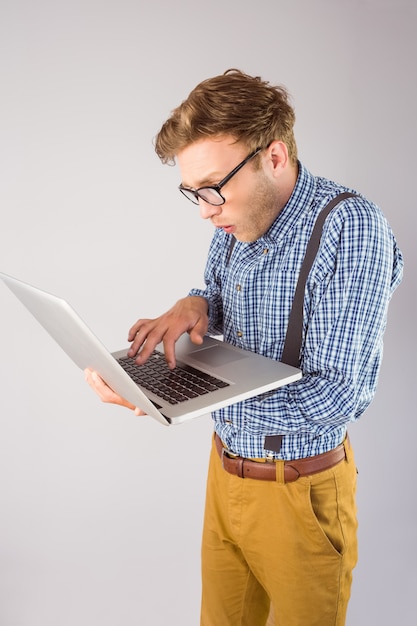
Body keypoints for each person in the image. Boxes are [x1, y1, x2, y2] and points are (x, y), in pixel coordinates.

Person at [85, 69, 404, 626]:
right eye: (193, 193)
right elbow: (216, 292)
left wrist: (180, 397)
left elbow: (337, 398)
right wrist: (194, 303)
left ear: (274, 156)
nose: (205, 210)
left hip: (298, 493)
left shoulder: (350, 228)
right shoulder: (236, 217)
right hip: (224, 474)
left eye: (213, 188)